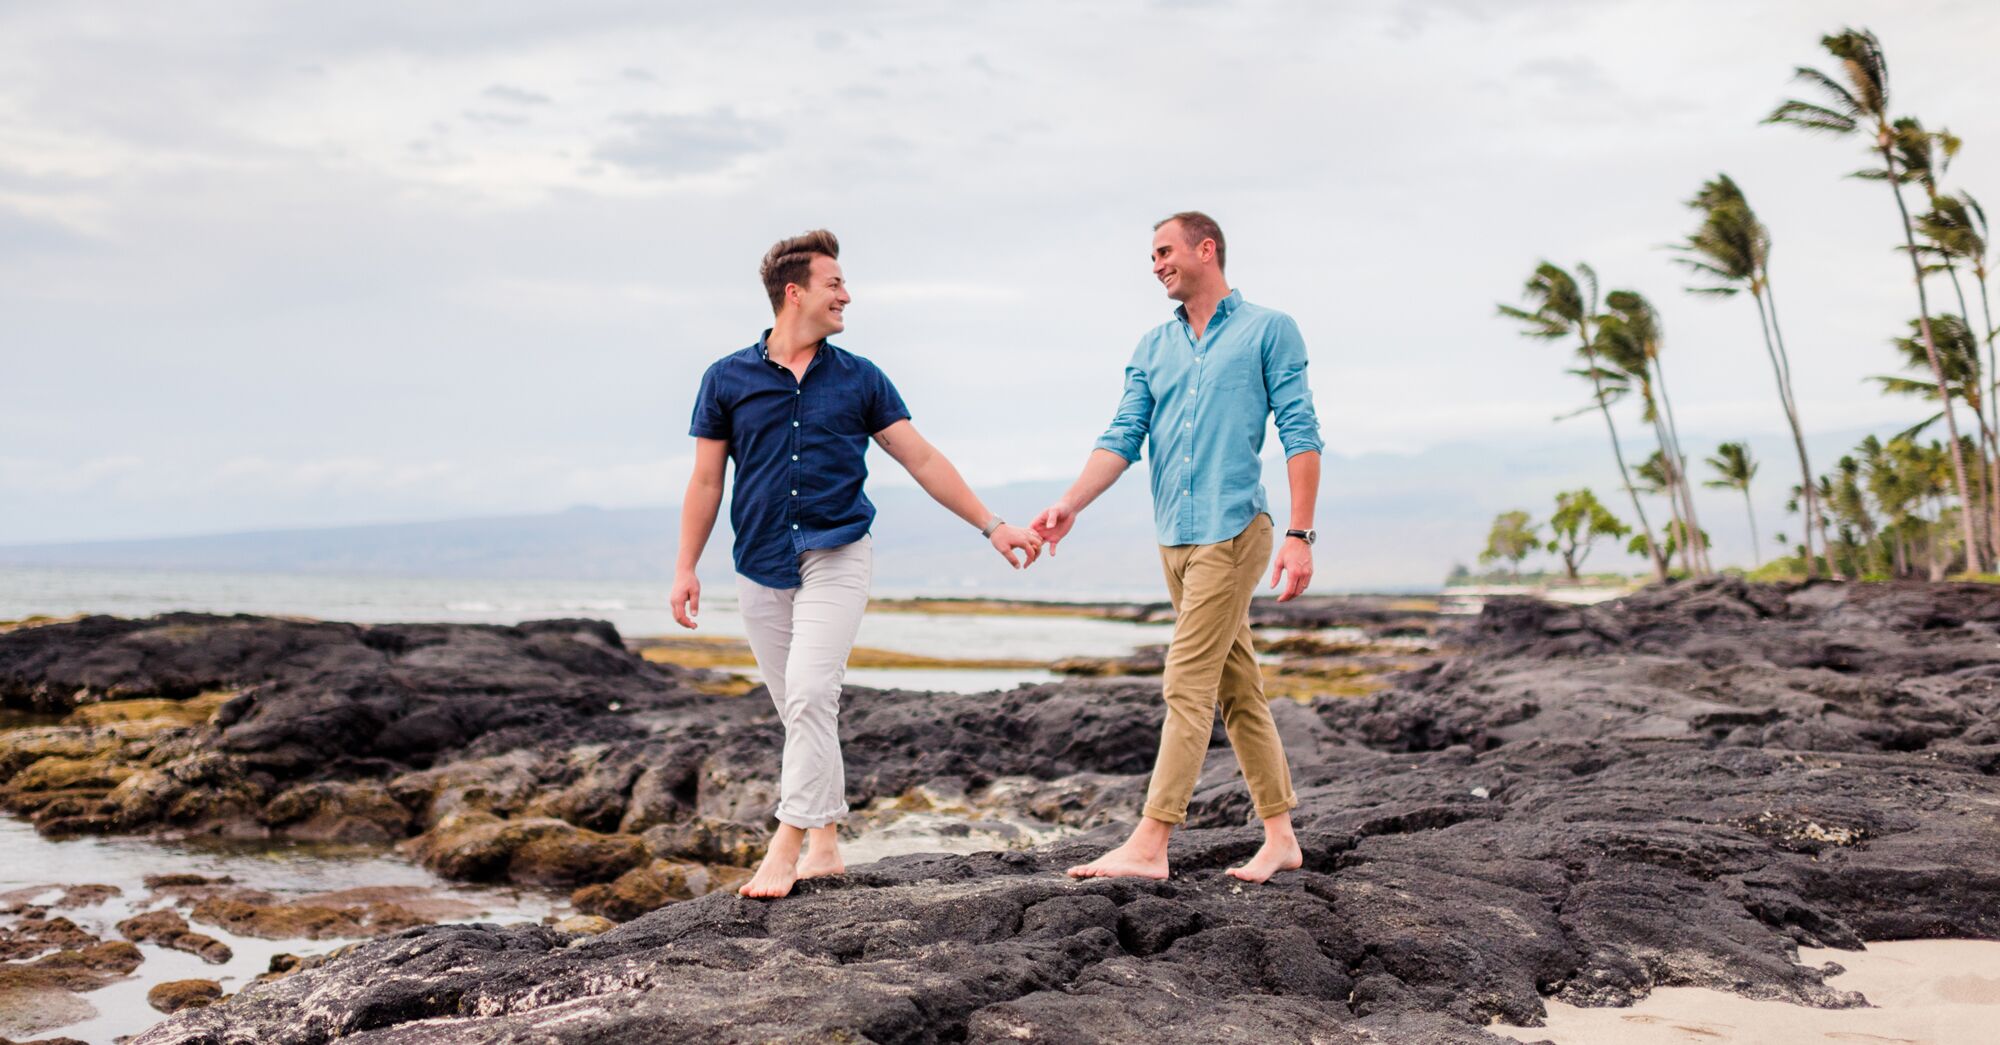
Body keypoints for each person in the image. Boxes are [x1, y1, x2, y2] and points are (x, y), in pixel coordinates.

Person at [670, 229, 1044, 899]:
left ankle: (785, 843)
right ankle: (827, 842)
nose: (847, 294)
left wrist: (992, 524)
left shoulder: (860, 378)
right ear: (796, 293)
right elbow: (705, 482)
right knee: (800, 710)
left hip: (838, 552)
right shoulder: (726, 379)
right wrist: (685, 567)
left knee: (814, 692)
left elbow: (921, 457)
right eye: (834, 283)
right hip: (757, 562)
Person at [1035, 211, 1323, 884]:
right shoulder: (1152, 348)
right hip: (1175, 539)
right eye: (1152, 254)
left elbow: (1301, 432)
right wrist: (1069, 503)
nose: (1157, 263)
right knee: (1238, 687)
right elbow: (1122, 435)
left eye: (1165, 250)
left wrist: (1301, 535)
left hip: (1233, 531)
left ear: (1206, 248)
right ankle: (1281, 835)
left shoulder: (1267, 330)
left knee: (1184, 685)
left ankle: (1150, 841)